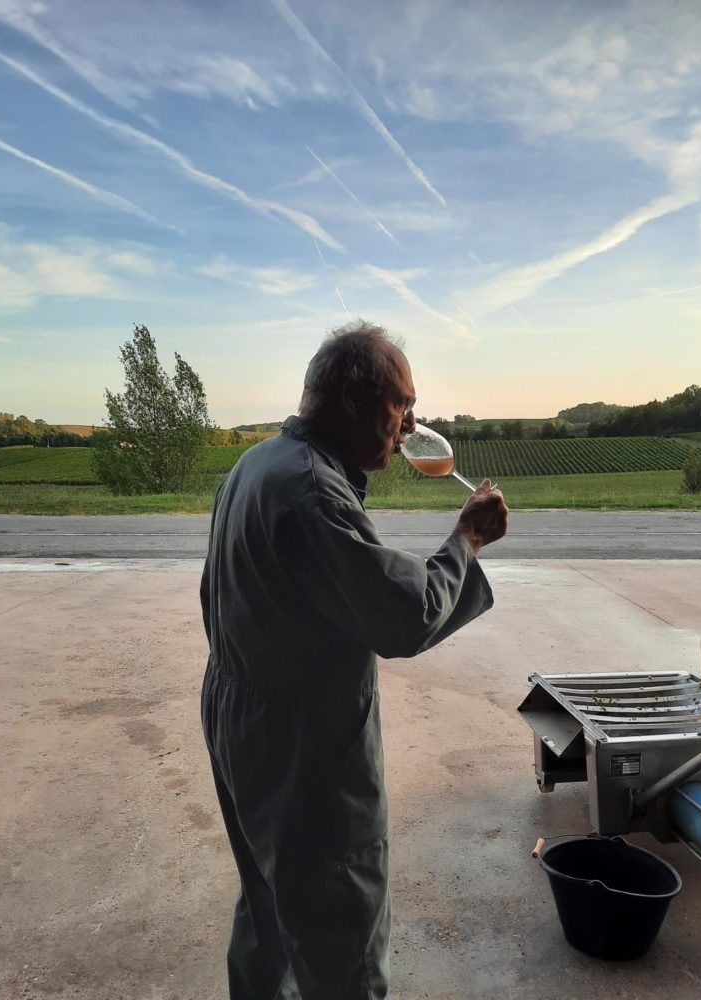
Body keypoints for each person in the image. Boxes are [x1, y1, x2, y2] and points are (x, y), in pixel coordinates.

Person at [200, 320, 508, 999]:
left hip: (240, 720)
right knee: (343, 927)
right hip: (304, 748)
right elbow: (404, 615)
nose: (410, 424)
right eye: (402, 404)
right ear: (350, 402)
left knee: (269, 904)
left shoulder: (258, 463)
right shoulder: (312, 493)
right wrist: (465, 540)